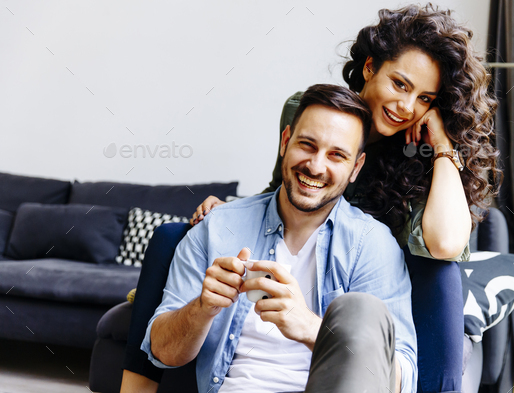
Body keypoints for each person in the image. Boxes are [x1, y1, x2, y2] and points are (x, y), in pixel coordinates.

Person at [122, 4, 500, 393]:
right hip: (306, 238)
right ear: (370, 67)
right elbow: (284, 190)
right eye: (400, 85)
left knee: (440, 273)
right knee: (172, 234)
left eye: (424, 98)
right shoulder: (308, 108)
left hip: (381, 268)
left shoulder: (416, 148)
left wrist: (440, 145)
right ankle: (136, 385)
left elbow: (445, 244)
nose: (407, 107)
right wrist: (231, 213)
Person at [140, 84, 417, 393]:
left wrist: (314, 329)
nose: (315, 165)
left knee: (360, 311)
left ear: (356, 168)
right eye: (307, 145)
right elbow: (162, 353)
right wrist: (202, 308)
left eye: (337, 155)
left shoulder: (372, 244)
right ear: (285, 141)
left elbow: (402, 381)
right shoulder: (219, 226)